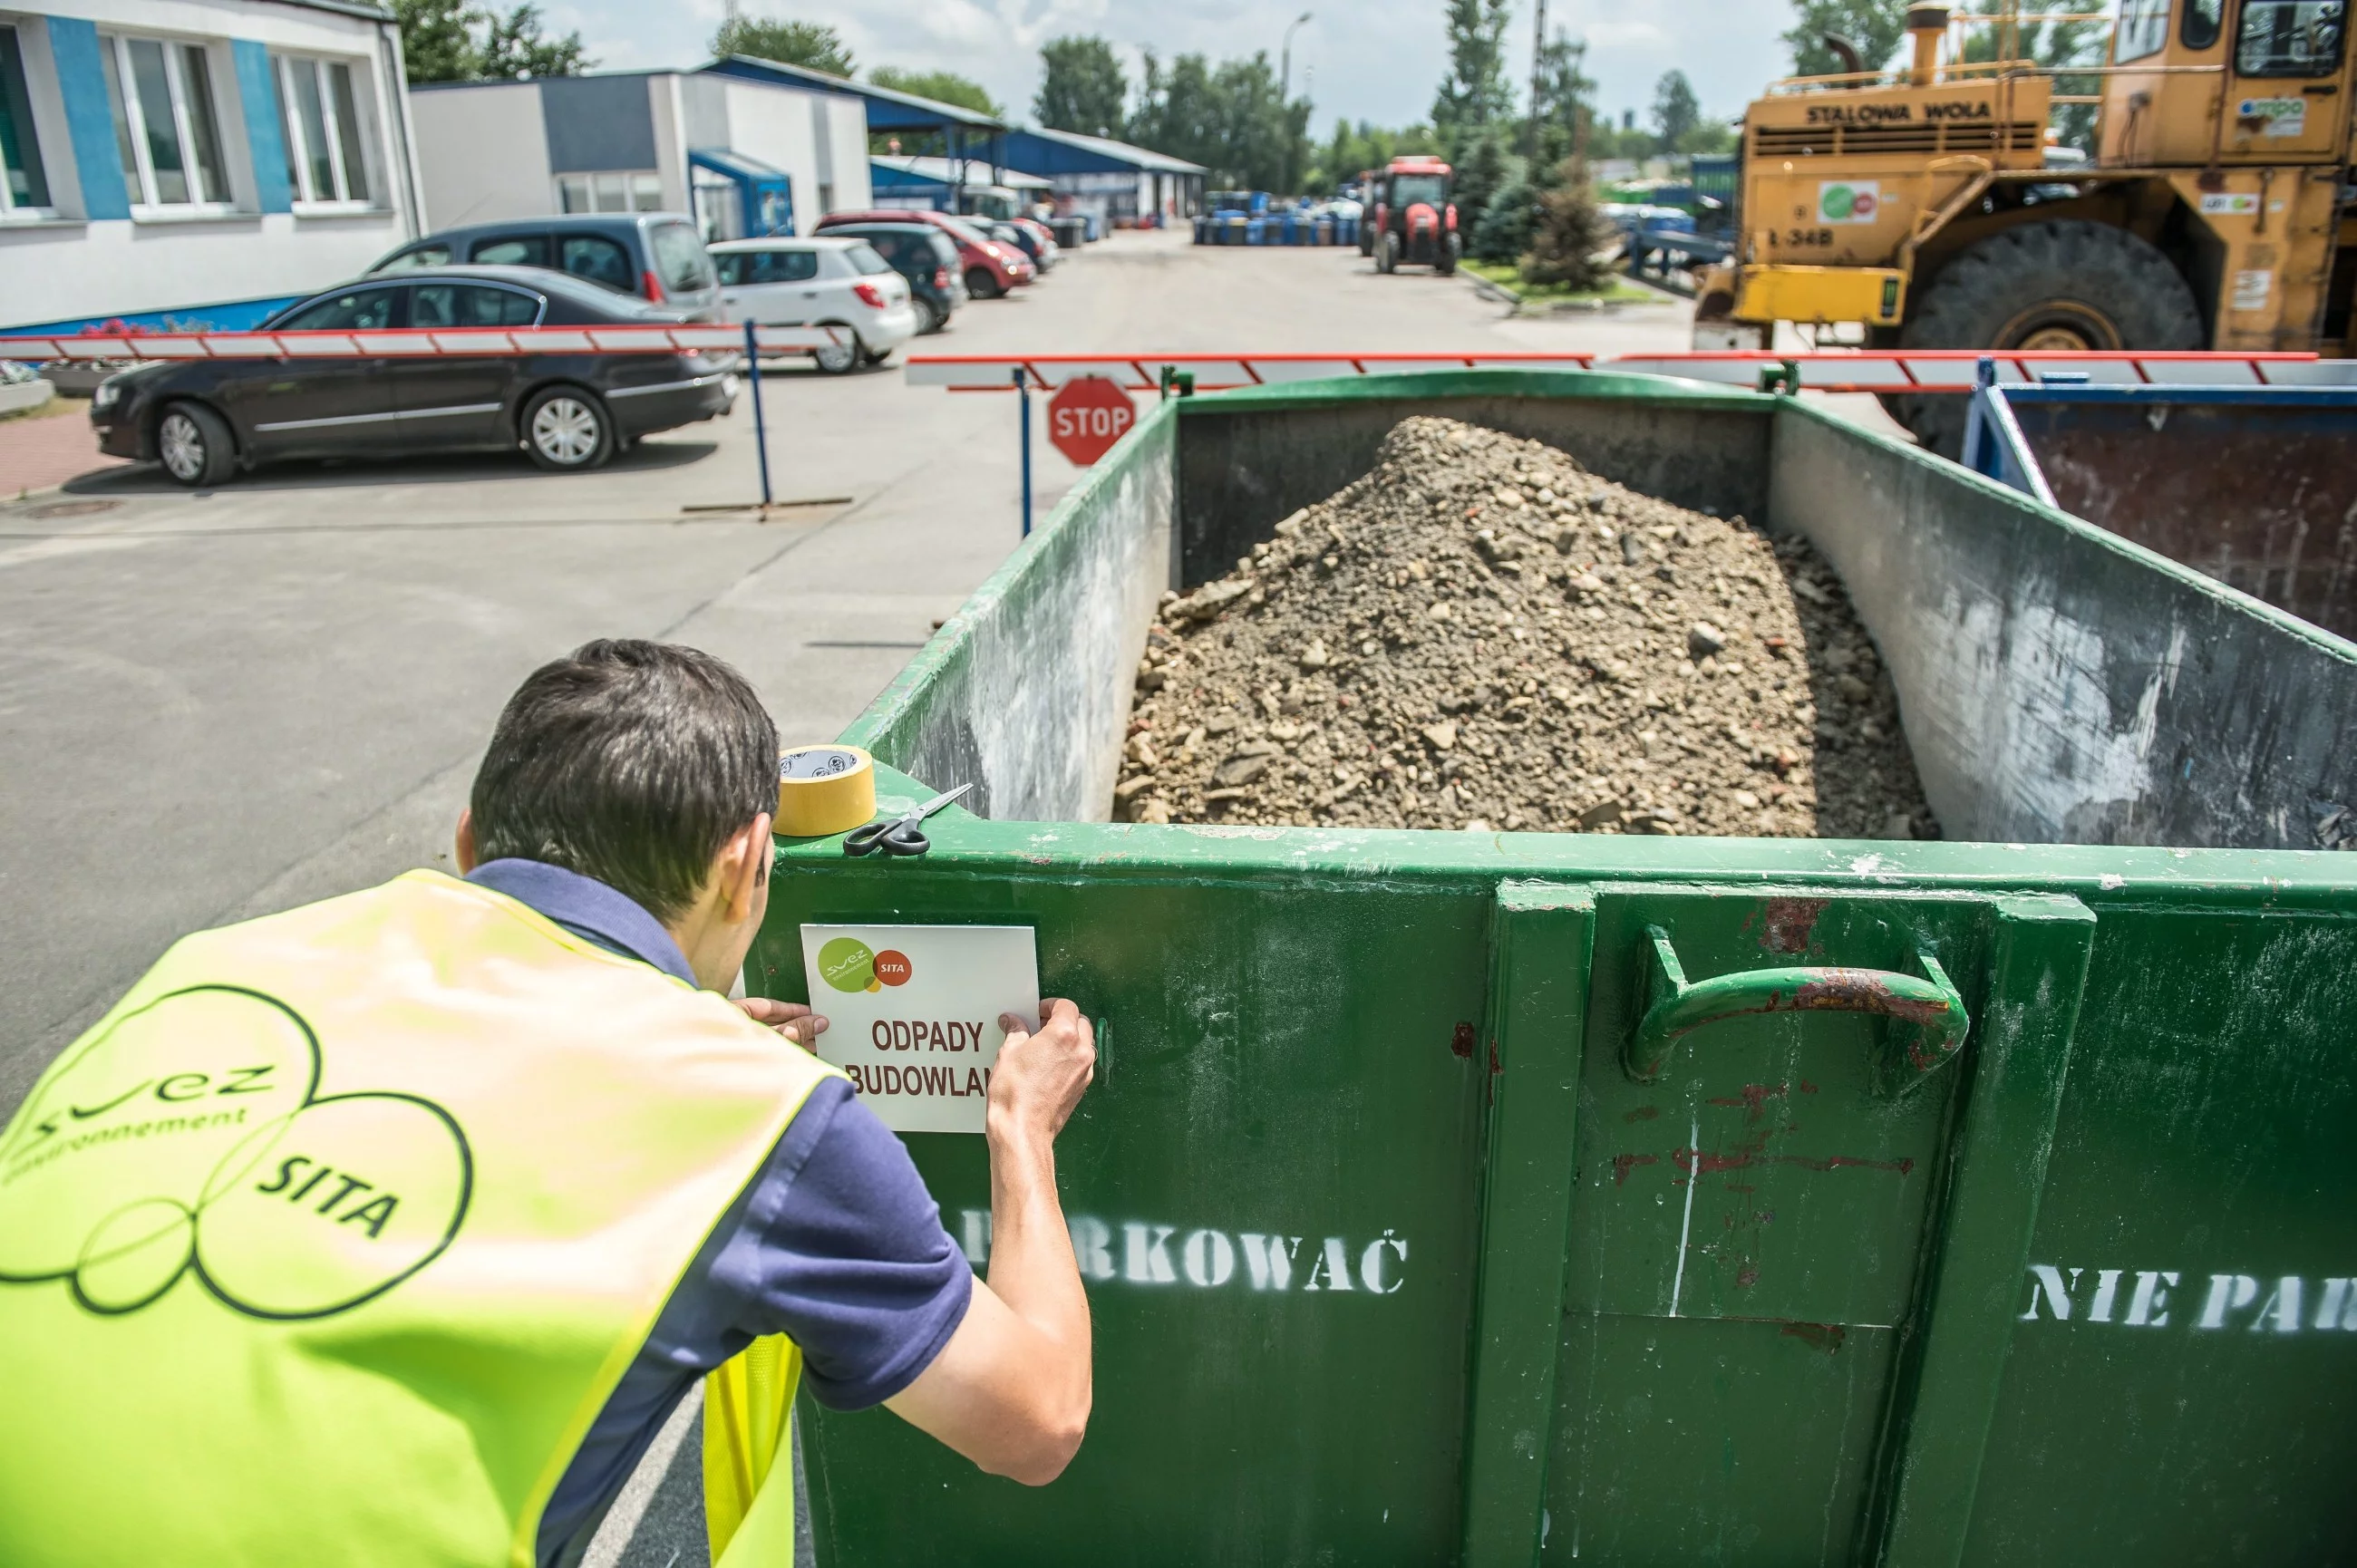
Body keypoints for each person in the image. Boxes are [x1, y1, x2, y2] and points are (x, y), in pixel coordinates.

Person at [0, 639, 1096, 1566]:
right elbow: (1037, 1418)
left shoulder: (213, 964)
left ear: (471, 839)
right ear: (747, 865)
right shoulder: (757, 1117)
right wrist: (1020, 1130)